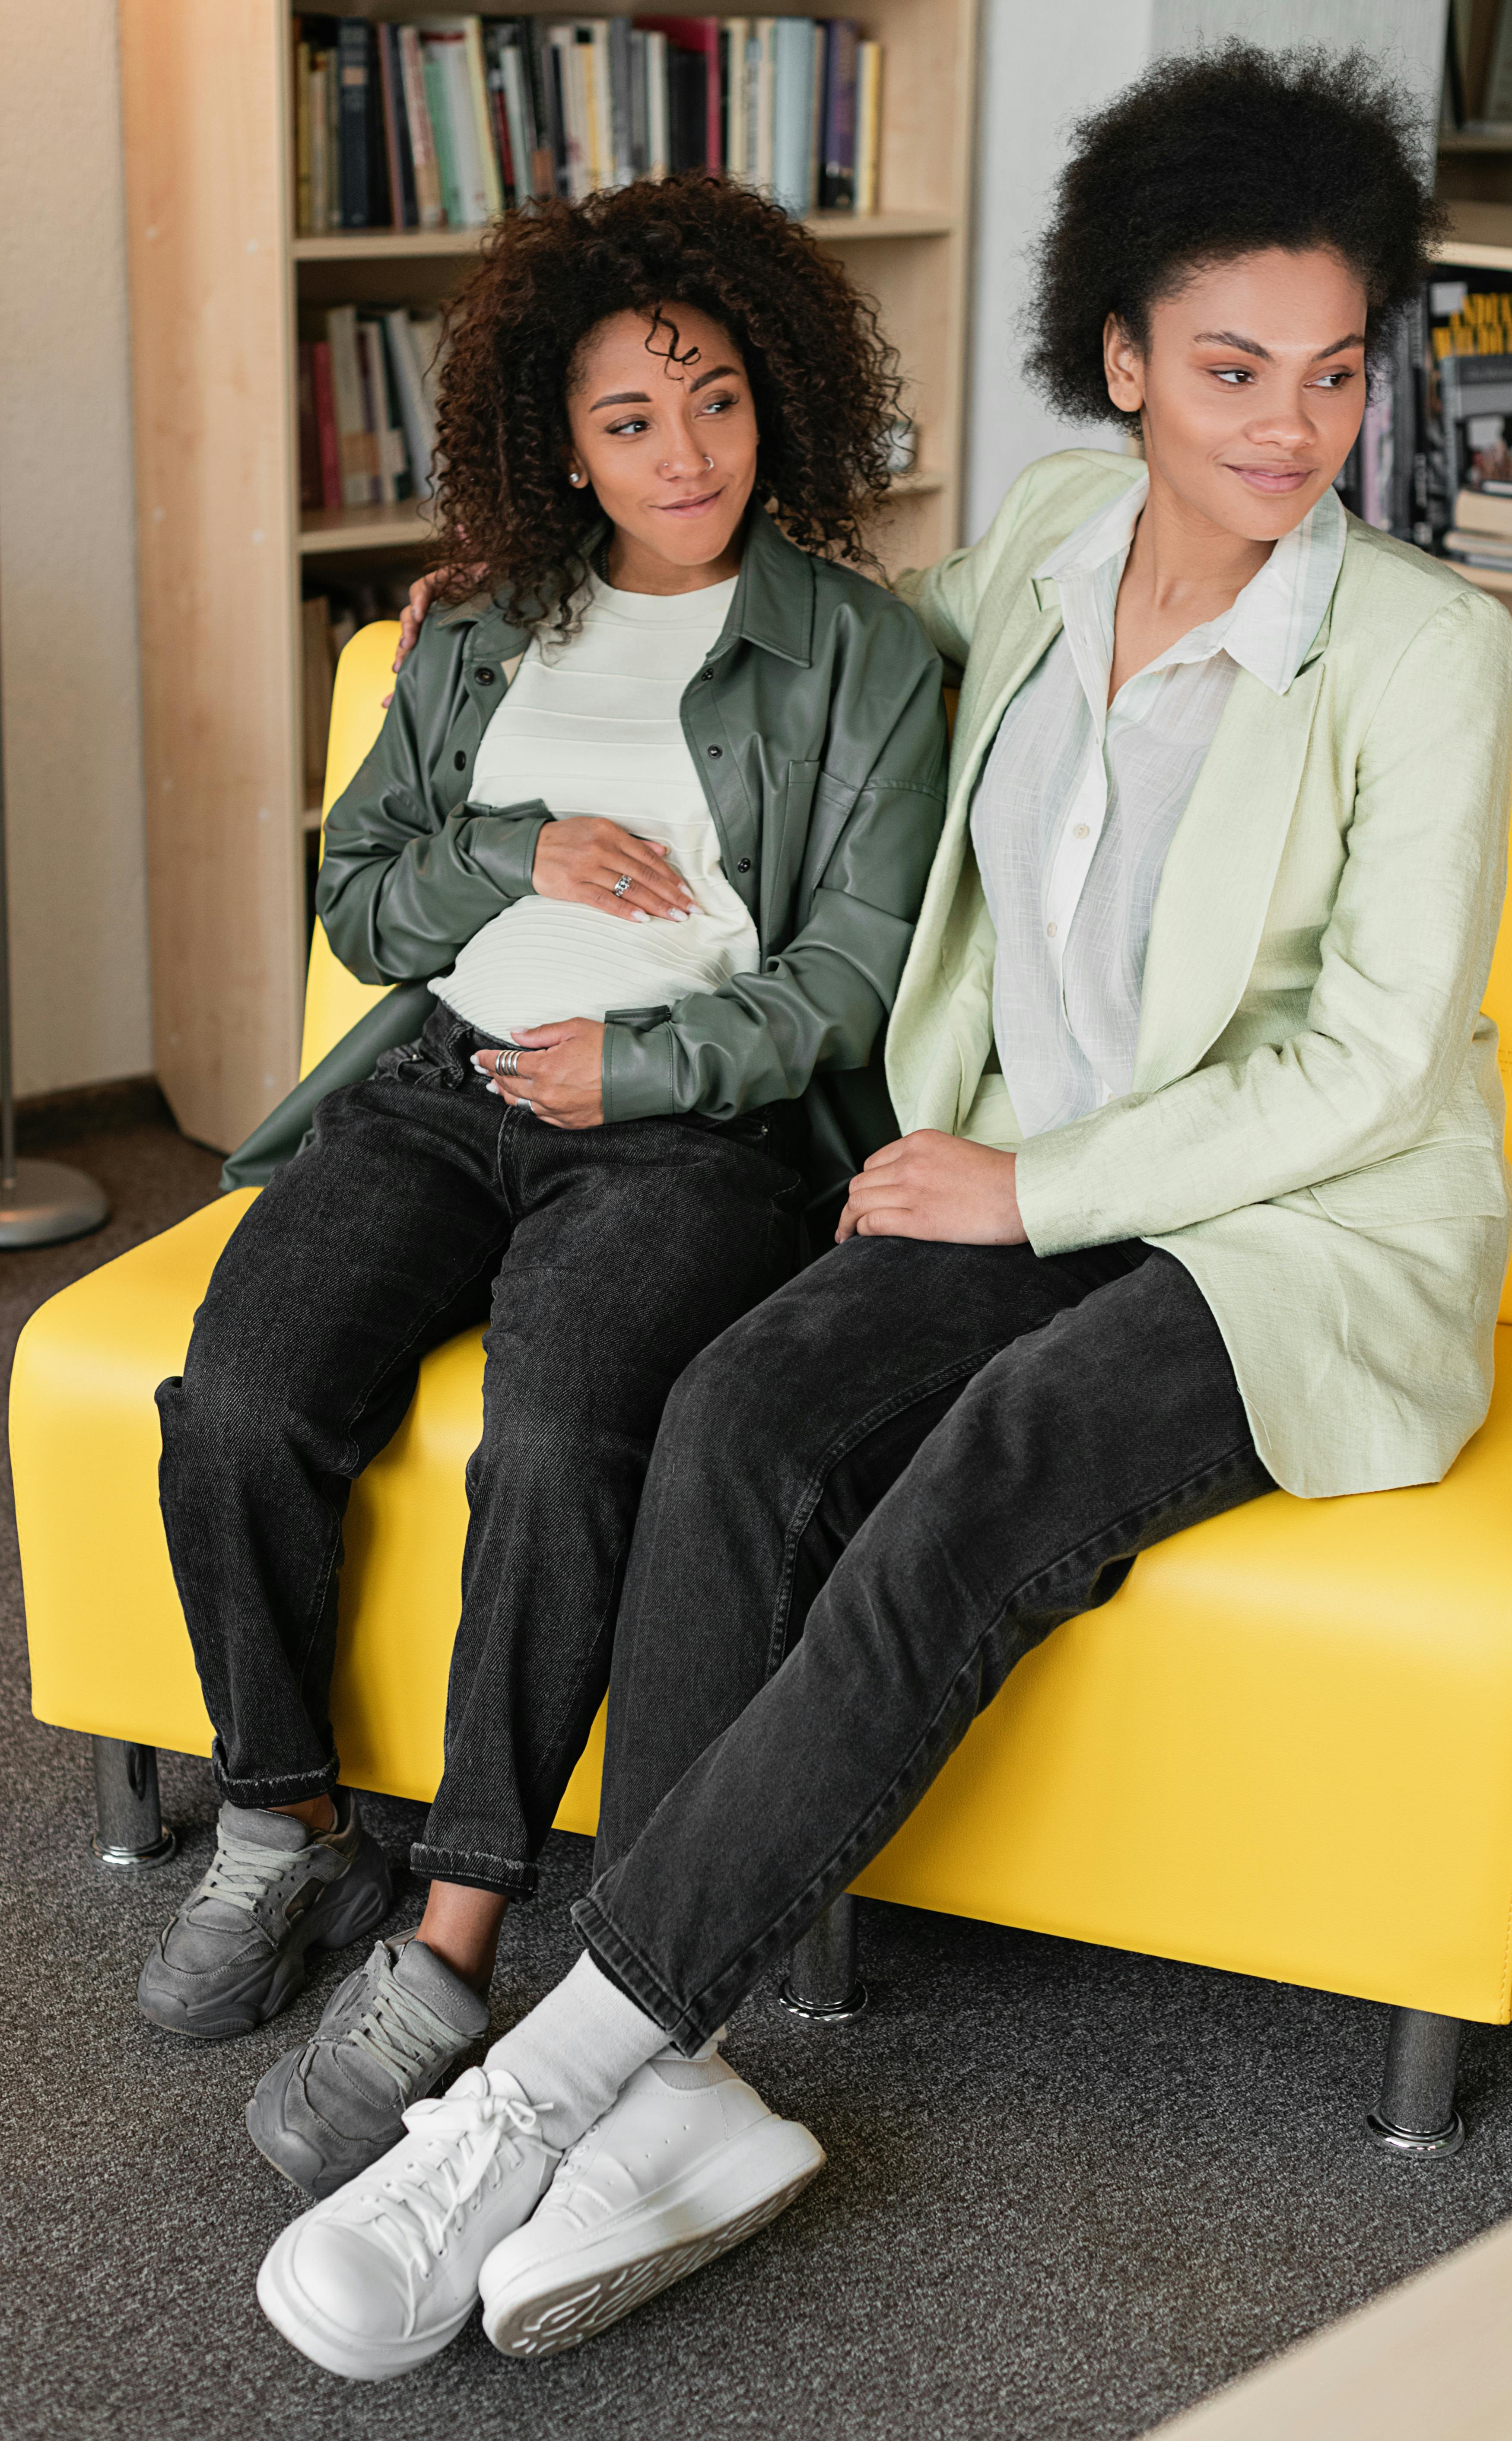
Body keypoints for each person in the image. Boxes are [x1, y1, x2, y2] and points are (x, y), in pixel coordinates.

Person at [264, 45, 1512, 2381]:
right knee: (737, 1412)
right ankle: (686, 2083)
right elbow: (813, 637)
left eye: (1333, 375)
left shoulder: (1423, 653)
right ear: (1120, 359)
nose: (1284, 429)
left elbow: (1357, 1070)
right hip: (1010, 1174)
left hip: (1285, 1228)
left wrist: (1034, 1181)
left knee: (983, 1475)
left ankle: (548, 2077)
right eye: (1227, 368)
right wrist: (542, 603)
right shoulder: (1051, 535)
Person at [139, 173, 947, 2221]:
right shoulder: (481, 624)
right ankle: (283, 1819)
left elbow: (844, 978)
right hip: (441, 1084)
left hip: (690, 1133)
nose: (685, 455)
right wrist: (511, 848)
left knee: (569, 1433)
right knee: (239, 1392)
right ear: (551, 443)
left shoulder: (867, 657)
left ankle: (453, 1934)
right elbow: (362, 893)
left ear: (782, 397)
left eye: (716, 400)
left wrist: (640, 1063)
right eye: (627, 420)